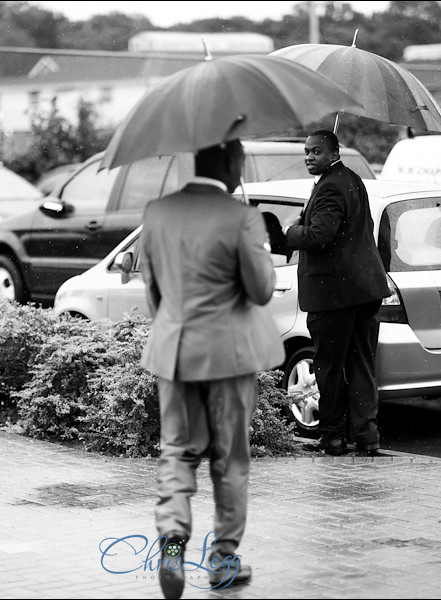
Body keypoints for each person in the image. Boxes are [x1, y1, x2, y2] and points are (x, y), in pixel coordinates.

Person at [139, 139, 284, 599]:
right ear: (226, 162)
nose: (243, 166)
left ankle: (172, 543)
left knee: (177, 450)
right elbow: (261, 291)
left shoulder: (157, 212)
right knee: (229, 459)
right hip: (231, 356)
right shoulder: (242, 216)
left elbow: (154, 294)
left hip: (175, 352)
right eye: (241, 158)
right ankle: (222, 560)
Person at [282, 130, 389, 457]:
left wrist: (292, 229)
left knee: (329, 369)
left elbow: (319, 236)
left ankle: (333, 439)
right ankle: (367, 438)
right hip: (364, 290)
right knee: (361, 366)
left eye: (316, 151)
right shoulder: (353, 180)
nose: (309, 157)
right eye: (306, 151)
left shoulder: (329, 186)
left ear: (333, 152)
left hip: (335, 296)